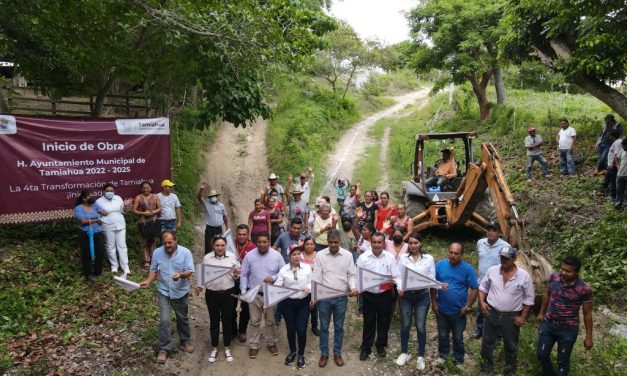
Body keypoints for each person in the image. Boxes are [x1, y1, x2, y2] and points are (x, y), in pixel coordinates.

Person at [139, 230, 195, 364]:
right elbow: (153, 270)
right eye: (165, 243)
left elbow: (189, 271)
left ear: (175, 241)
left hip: (180, 291)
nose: (168, 245)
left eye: (170, 242)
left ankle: (185, 341)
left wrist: (180, 275)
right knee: (164, 320)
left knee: (182, 318)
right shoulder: (157, 252)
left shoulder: (185, 252)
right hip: (163, 291)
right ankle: (163, 349)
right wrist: (148, 281)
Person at [479, 246, 535, 376]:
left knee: (510, 345)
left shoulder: (524, 276)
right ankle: (486, 369)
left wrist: (523, 318)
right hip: (491, 312)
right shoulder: (492, 271)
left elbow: (528, 299)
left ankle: (509, 371)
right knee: (487, 342)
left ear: (514, 258)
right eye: (502, 257)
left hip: (511, 316)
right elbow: (483, 287)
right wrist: (482, 302)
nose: (503, 260)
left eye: (507, 258)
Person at [536, 256, 593, 376]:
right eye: (562, 269)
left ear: (577, 272)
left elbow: (587, 314)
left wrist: (589, 337)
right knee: (542, 354)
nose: (563, 273)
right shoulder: (554, 277)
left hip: (568, 330)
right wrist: (541, 313)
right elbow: (547, 294)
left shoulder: (583, 289)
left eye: (568, 271)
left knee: (562, 361)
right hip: (549, 325)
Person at [312, 230, 358, 368]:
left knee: (339, 327)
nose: (333, 244)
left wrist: (353, 287)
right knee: (324, 327)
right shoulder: (320, 255)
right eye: (330, 242)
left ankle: (337, 353)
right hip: (324, 297)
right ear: (327, 241)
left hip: (341, 297)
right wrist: (314, 296)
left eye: (335, 242)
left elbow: (351, 274)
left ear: (340, 241)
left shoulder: (348, 255)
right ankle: (324, 354)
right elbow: (316, 277)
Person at [431, 243, 478, 366]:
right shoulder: (440, 265)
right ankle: (443, 355)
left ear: (462, 254)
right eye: (451, 252)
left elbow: (475, 289)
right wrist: (434, 302)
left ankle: (458, 358)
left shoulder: (467, 269)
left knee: (458, 337)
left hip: (459, 311)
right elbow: (433, 284)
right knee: (442, 334)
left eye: (456, 253)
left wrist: (467, 306)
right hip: (441, 309)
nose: (453, 255)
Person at [239, 232, 285, 359]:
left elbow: (283, 272)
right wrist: (244, 293)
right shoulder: (250, 256)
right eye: (260, 242)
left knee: (270, 321)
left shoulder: (277, 256)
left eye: (265, 242)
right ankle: (253, 345)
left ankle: (271, 342)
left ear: (269, 242)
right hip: (254, 294)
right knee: (254, 321)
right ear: (256, 242)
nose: (262, 244)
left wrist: (274, 277)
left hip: (271, 294)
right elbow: (243, 274)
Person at [357, 232, 401, 360]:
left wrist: (395, 282)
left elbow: (397, 275)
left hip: (385, 295)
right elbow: (358, 277)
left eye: (379, 242)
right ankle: (366, 347)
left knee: (384, 321)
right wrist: (358, 290)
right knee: (368, 322)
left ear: (383, 243)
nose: (376, 245)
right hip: (369, 295)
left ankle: (381, 344)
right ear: (371, 243)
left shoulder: (390, 257)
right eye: (374, 242)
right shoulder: (363, 258)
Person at [196, 236, 240, 363]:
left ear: (225, 245)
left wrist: (237, 274)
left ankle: (227, 348)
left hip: (228, 292)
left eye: (222, 245)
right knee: (214, 321)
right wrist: (199, 286)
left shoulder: (232, 256)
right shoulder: (207, 258)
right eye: (217, 245)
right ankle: (214, 348)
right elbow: (203, 273)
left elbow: (237, 275)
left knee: (227, 321)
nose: (220, 248)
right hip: (212, 293)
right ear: (213, 246)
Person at [396, 232, 435, 370]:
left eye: (416, 243)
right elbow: (398, 275)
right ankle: (404, 352)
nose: (413, 246)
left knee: (420, 326)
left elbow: (431, 277)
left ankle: (420, 356)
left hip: (422, 297)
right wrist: (399, 287)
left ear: (421, 243)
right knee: (405, 325)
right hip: (405, 296)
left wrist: (439, 285)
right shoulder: (403, 258)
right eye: (411, 243)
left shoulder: (428, 259)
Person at [471, 221, 511, 340]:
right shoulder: (480, 243)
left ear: (499, 233)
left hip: (496, 284)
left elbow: (507, 264)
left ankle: (497, 334)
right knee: (481, 307)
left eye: (494, 230)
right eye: (489, 230)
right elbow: (480, 257)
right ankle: (479, 329)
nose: (491, 232)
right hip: (482, 282)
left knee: (496, 309)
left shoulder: (505, 246)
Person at [275, 246, 313, 369]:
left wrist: (309, 287)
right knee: (291, 329)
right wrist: (280, 290)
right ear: (289, 256)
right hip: (288, 304)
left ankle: (301, 354)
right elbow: (277, 286)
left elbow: (313, 282)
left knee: (301, 329)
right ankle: (292, 351)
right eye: (294, 254)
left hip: (303, 302)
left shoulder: (307, 268)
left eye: (299, 254)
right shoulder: (283, 270)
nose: (297, 256)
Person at [96, 183, 132, 277]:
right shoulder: (99, 201)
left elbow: (123, 212)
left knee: (122, 246)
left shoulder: (118, 198)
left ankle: (125, 267)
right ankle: (114, 266)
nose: (109, 192)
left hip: (120, 224)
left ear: (114, 191)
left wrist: (124, 205)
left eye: (111, 191)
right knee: (110, 246)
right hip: (107, 226)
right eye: (107, 191)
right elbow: (97, 215)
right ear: (103, 191)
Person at [74, 190, 107, 282]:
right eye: (89, 196)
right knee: (87, 253)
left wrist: (101, 212)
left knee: (100, 252)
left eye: (92, 195)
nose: (92, 197)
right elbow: (83, 221)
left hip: (98, 231)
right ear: (84, 198)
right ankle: (89, 274)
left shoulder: (95, 205)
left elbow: (105, 213)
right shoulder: (78, 208)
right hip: (85, 232)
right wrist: (96, 219)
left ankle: (98, 271)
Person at [233, 224, 256, 343]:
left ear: (248, 235)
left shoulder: (253, 247)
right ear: (236, 235)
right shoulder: (230, 244)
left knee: (245, 308)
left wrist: (242, 269)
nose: (241, 236)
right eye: (239, 234)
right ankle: (232, 329)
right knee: (230, 307)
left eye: (244, 234)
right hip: (231, 281)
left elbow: (255, 265)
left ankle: (242, 330)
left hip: (246, 282)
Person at [132, 182, 161, 267]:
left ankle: (153, 259)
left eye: (147, 187)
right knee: (144, 242)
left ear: (150, 188)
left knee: (153, 241)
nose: (146, 189)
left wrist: (153, 212)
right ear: (141, 189)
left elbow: (160, 207)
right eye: (144, 188)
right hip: (143, 222)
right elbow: (134, 210)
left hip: (153, 221)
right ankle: (146, 260)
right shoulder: (138, 197)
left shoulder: (155, 196)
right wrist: (144, 213)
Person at [197, 183, 228, 254]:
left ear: (217, 196)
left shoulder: (221, 205)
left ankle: (218, 262)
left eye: (214, 196)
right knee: (208, 246)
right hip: (209, 229)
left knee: (219, 245)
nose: (213, 197)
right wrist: (201, 189)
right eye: (211, 196)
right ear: (209, 197)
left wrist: (227, 227)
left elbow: (225, 217)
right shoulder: (207, 204)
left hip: (219, 229)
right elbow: (199, 198)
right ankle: (208, 262)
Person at [300, 237, 319, 336]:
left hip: (315, 284)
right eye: (307, 244)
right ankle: (303, 325)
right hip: (303, 286)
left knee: (315, 307)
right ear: (304, 245)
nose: (309, 246)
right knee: (304, 306)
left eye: (311, 244)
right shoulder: (300, 255)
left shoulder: (318, 256)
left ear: (314, 245)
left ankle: (314, 326)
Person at [601, 131, 621, 196]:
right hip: (611, 165)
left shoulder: (618, 143)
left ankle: (613, 195)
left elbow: (616, 155)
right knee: (608, 176)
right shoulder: (616, 142)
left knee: (613, 181)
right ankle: (604, 186)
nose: (609, 137)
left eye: (610, 136)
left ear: (613, 136)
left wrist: (612, 164)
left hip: (613, 165)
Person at [615, 138, 627, 209]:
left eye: (624, 146)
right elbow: (616, 158)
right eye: (622, 146)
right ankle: (618, 204)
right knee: (619, 191)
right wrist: (617, 165)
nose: (623, 147)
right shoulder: (622, 151)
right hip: (620, 175)